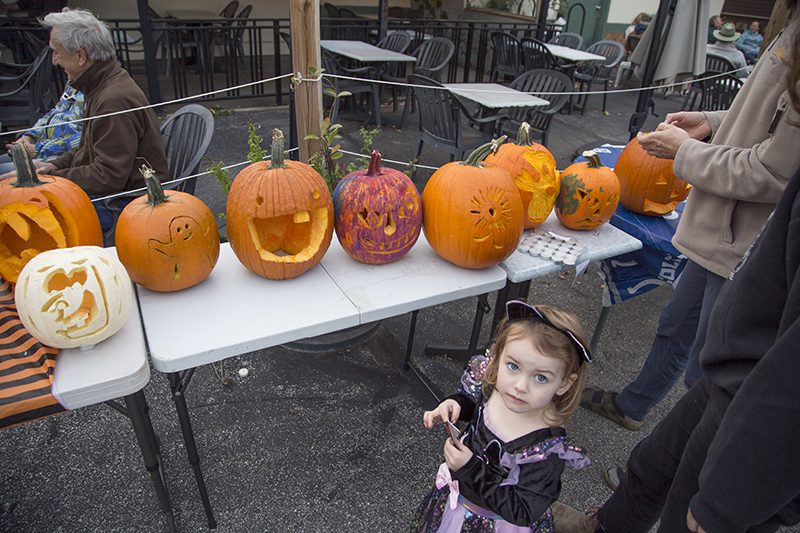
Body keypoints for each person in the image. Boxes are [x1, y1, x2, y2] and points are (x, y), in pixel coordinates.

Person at [552, 80, 800, 533]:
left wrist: (725, 506)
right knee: (653, 460)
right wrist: (717, 123)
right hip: (735, 350)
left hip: (753, 392)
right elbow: (774, 122)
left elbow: (776, 164)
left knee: (692, 497)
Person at [580, 3, 800, 431]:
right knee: (676, 324)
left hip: (746, 245)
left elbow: (776, 172)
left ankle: (673, 481)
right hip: (714, 232)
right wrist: (712, 122)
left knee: (711, 374)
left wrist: (686, 153)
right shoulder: (791, 22)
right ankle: (633, 406)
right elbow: (763, 117)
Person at [410, 300, 592, 532]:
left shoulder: (546, 450)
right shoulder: (494, 388)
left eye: (541, 378)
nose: (520, 386)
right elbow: (474, 406)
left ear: (564, 383)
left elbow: (523, 510)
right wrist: (455, 404)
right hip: (456, 502)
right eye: (513, 366)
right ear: (498, 356)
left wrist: (470, 469)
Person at [0, 7, 168, 229]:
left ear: (80, 56)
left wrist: (51, 180)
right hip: (114, 194)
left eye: (57, 52)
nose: (54, 60)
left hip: (124, 203)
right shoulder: (103, 83)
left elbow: (109, 175)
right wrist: (51, 167)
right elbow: (86, 148)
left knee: (23, 217)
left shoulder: (112, 99)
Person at [0, 83, 84, 174]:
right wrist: (31, 136)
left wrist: (37, 149)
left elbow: (84, 139)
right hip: (43, 145)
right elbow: (56, 111)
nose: (58, 67)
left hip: (61, 158)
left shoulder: (96, 90)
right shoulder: (74, 80)